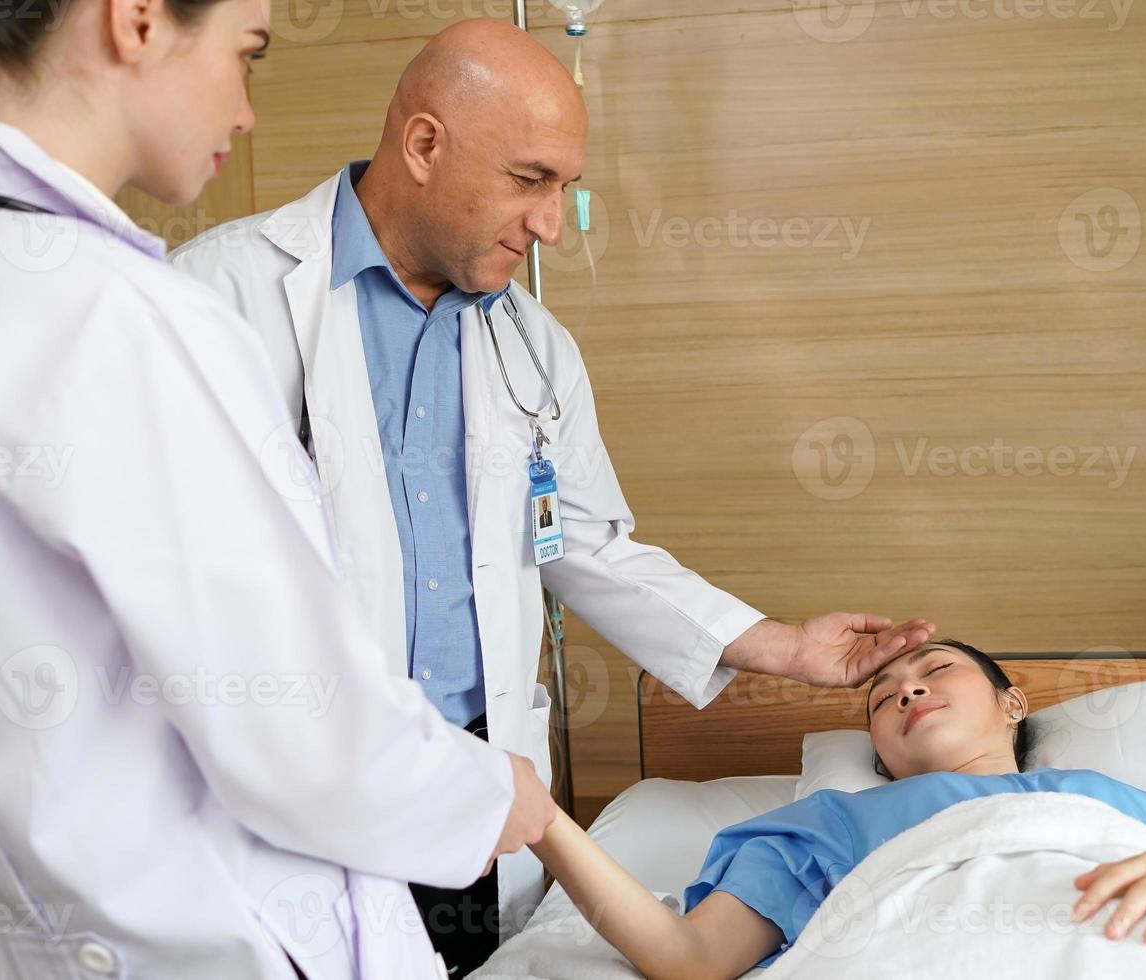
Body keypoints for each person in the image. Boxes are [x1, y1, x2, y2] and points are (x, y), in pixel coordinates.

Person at [169, 17, 938, 972]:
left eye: (566, 189)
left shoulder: (532, 346)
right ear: (422, 144)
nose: (548, 224)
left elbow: (582, 544)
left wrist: (778, 645)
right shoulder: (213, 301)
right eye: (529, 179)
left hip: (474, 776)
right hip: (293, 768)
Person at [0, 0, 557, 976]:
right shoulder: (126, 321)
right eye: (245, 55)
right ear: (134, 22)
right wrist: (494, 794)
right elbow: (298, 733)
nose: (246, 111)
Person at [532, 640, 1146, 980]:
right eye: (882, 698)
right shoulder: (825, 825)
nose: (908, 689)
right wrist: (545, 823)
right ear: (879, 753)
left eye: (932, 670)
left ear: (1013, 704)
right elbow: (689, 960)